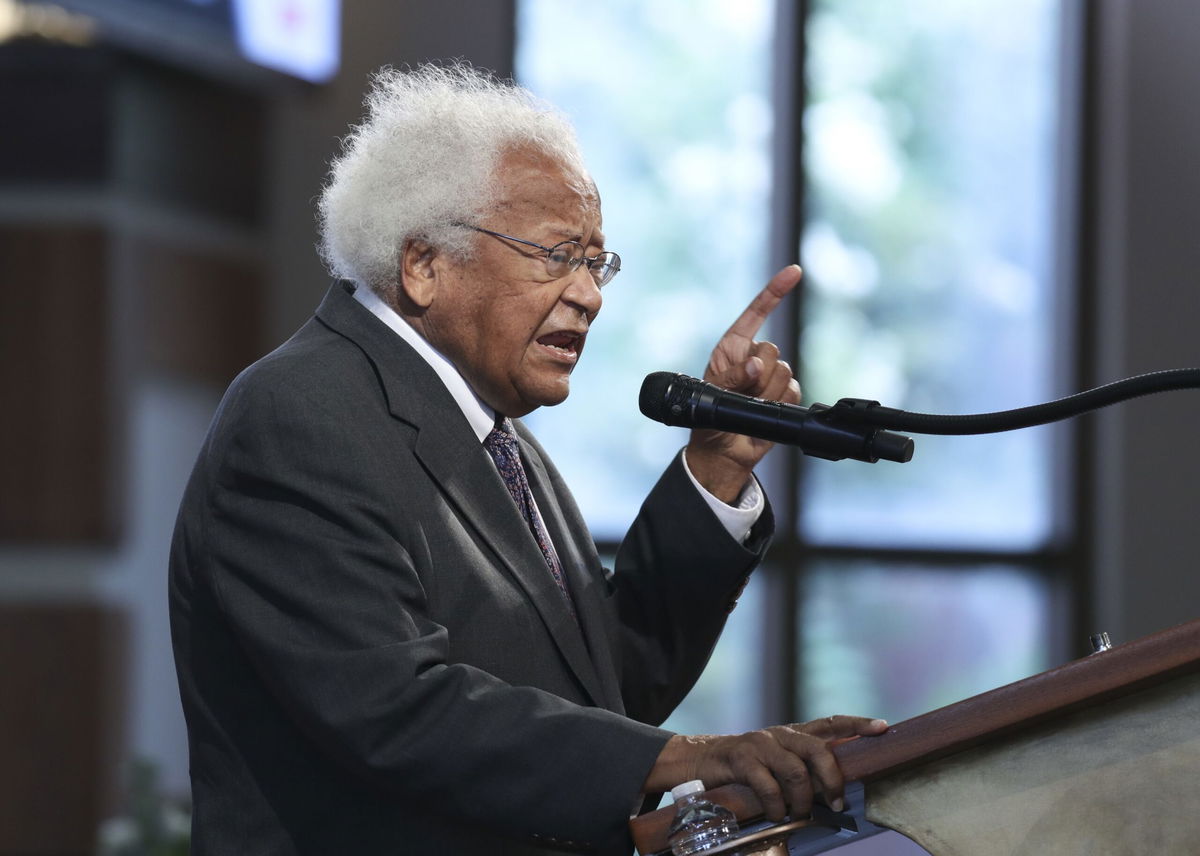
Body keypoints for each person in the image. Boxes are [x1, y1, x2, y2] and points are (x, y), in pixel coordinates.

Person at [168, 63, 886, 856]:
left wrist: (716, 467)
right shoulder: (299, 413)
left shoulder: (504, 443)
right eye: (556, 255)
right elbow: (393, 710)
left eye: (597, 261)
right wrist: (686, 756)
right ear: (424, 264)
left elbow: (606, 687)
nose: (590, 294)